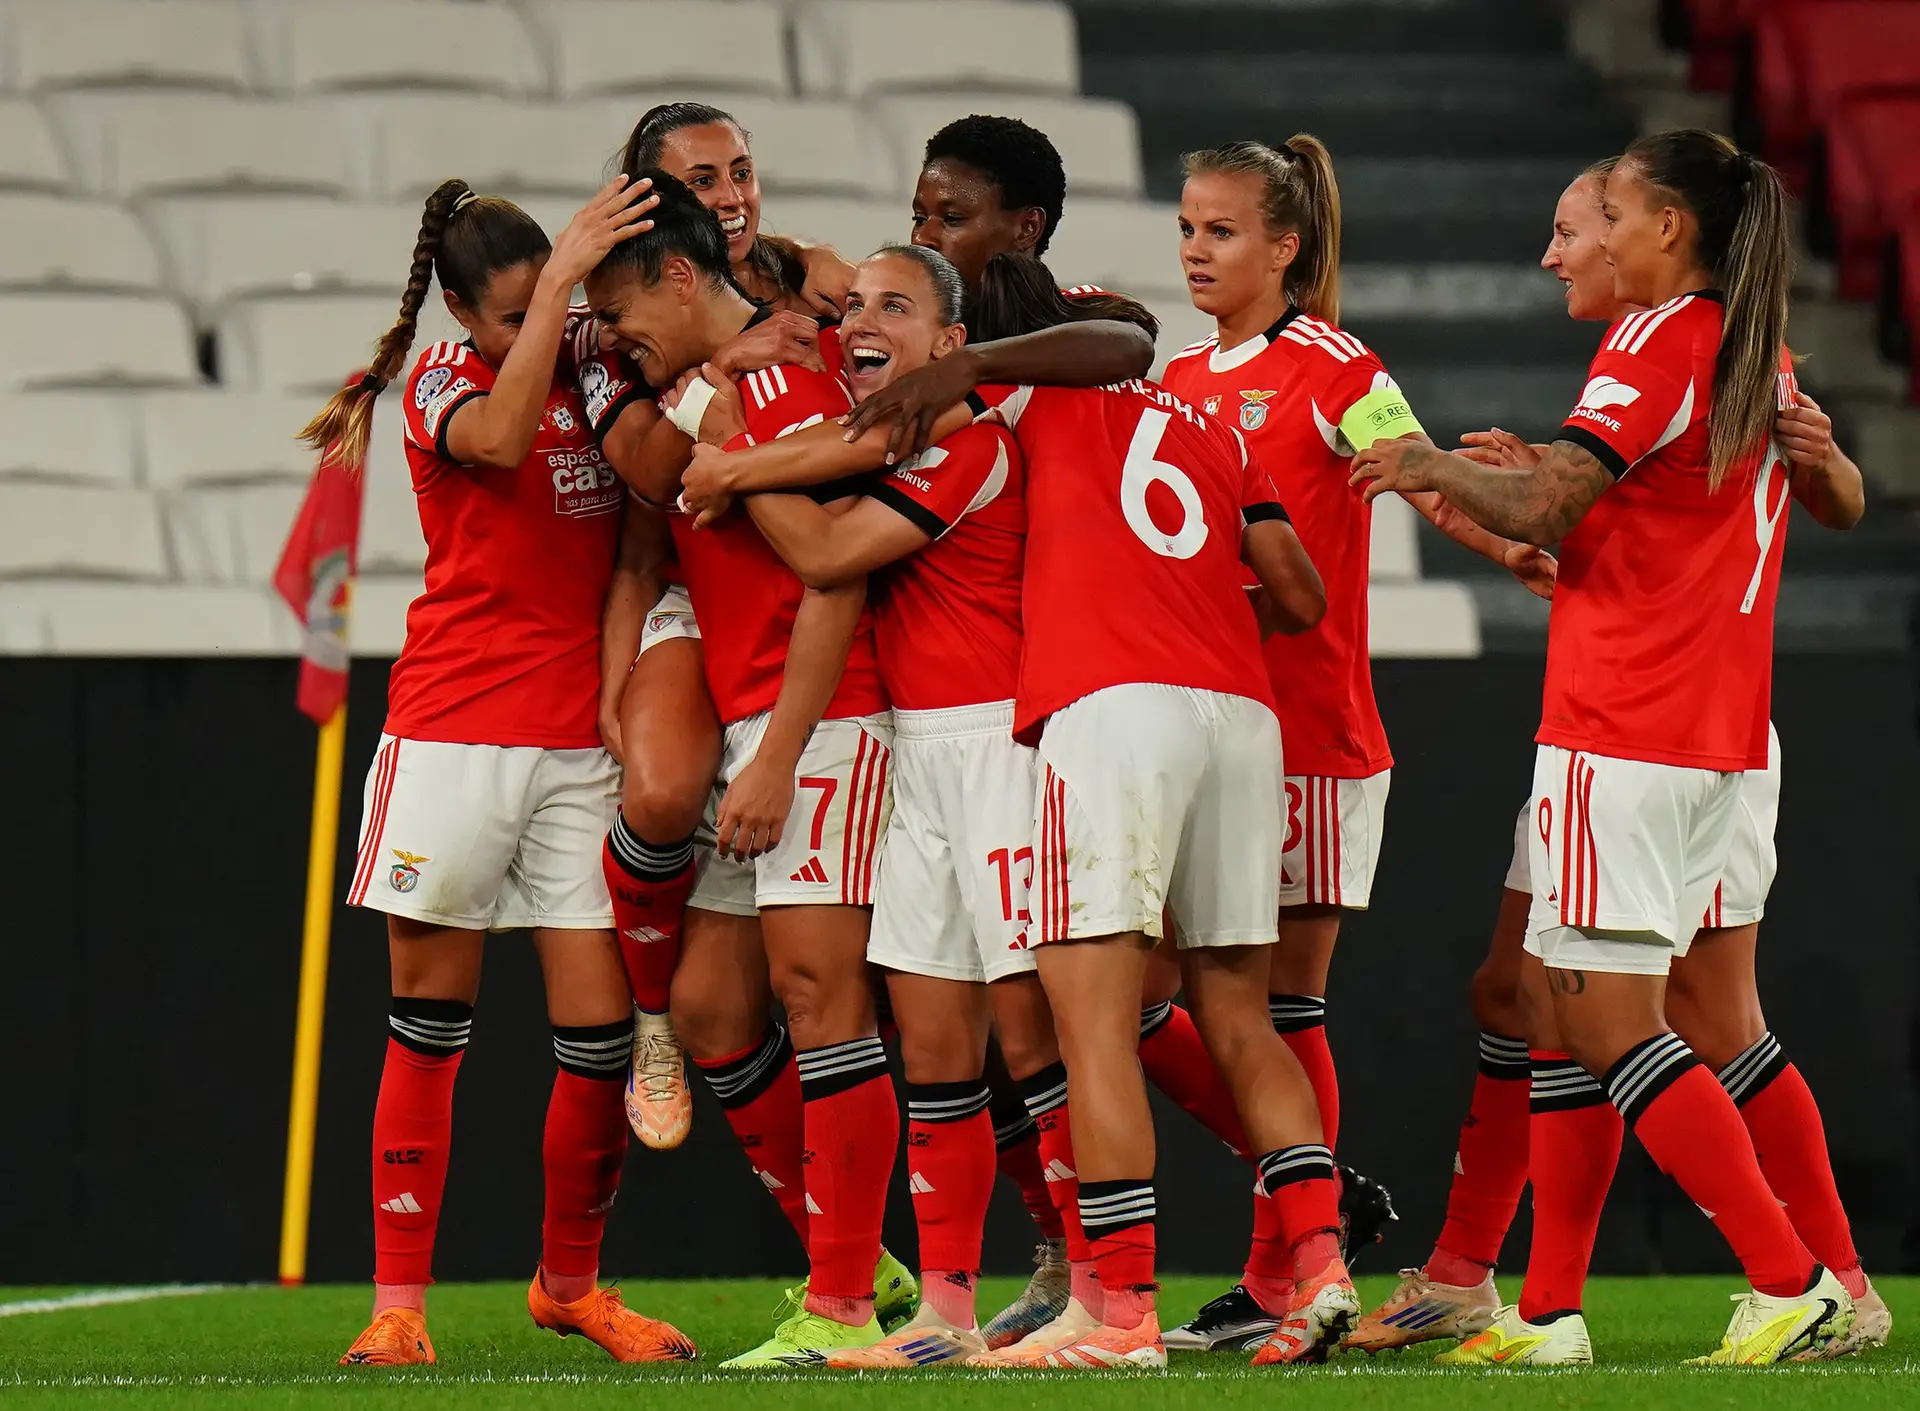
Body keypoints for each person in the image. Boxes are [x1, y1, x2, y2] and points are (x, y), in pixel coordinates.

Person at [1353, 157, 1888, 1364]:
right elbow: (1618, 547)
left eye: (1574, 227)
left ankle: (1785, 1277)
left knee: (1601, 1018)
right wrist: (1501, 501)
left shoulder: (1658, 341)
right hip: (1720, 731)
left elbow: (1557, 509)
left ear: (1659, 224)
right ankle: (1568, 1307)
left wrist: (1439, 470)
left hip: (1629, 729)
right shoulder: (1750, 346)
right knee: (1651, 1007)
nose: (1554, 254)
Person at [1154, 136, 1557, 1354]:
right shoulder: (1173, 377)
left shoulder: (1334, 364)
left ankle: (1281, 1272)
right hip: (1203, 730)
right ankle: (1309, 1223)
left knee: (1282, 1006)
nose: (1194, 249)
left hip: (1311, 731)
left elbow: (1420, 476)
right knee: (1163, 996)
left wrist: (1513, 549)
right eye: (1185, 226)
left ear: (1283, 245)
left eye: (1221, 230)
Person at [312, 176, 695, 1366]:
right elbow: (497, 439)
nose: (553, 320)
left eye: (561, 298)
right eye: (520, 310)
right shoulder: (443, 381)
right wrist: (552, 323)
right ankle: (400, 1309)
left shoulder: (592, 368)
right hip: (451, 734)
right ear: (467, 316)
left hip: (581, 741)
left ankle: (571, 1286)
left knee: (596, 1038)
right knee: (429, 1024)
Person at [669, 244, 1040, 1367]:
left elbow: (830, 558)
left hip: (943, 736)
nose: (863, 322)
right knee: (929, 1035)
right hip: (898, 738)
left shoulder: (955, 435)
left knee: (1001, 1030)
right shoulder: (853, 411)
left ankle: (1092, 1289)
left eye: (898, 306)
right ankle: (942, 1307)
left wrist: (730, 456)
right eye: (860, 304)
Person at [584, 171, 916, 1368]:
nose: (617, 341)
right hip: (749, 716)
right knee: (722, 1007)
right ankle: (863, 1276)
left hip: (817, 721)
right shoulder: (716, 387)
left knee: (828, 1001)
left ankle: (842, 1305)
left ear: (681, 277)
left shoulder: (780, 378)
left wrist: (775, 756)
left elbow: (835, 573)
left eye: (625, 314)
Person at [589, 102, 842, 1155]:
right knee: (654, 798)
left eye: (742, 170)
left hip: (834, 631)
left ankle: (1040, 1257)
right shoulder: (611, 321)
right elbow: (656, 487)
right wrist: (721, 368)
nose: (732, 195)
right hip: (719, 606)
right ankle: (858, 1277)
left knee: (925, 1003)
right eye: (703, 179)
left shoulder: (819, 288)